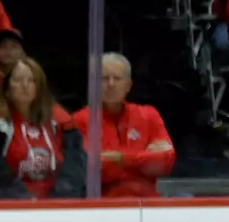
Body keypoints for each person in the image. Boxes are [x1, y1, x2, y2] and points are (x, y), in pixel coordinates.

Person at [0, 56, 83, 199]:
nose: (25, 85)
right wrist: (22, 197)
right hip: (6, 202)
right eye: (18, 80)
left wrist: (60, 196)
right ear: (7, 87)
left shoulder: (60, 120)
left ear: (40, 87)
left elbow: (76, 163)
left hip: (55, 201)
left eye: (31, 80)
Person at [70, 53, 176, 199]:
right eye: (104, 78)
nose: (111, 84)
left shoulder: (148, 115)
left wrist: (119, 157)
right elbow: (88, 170)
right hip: (102, 206)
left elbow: (165, 162)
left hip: (148, 204)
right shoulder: (79, 120)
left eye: (117, 78)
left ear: (128, 85)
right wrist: (143, 160)